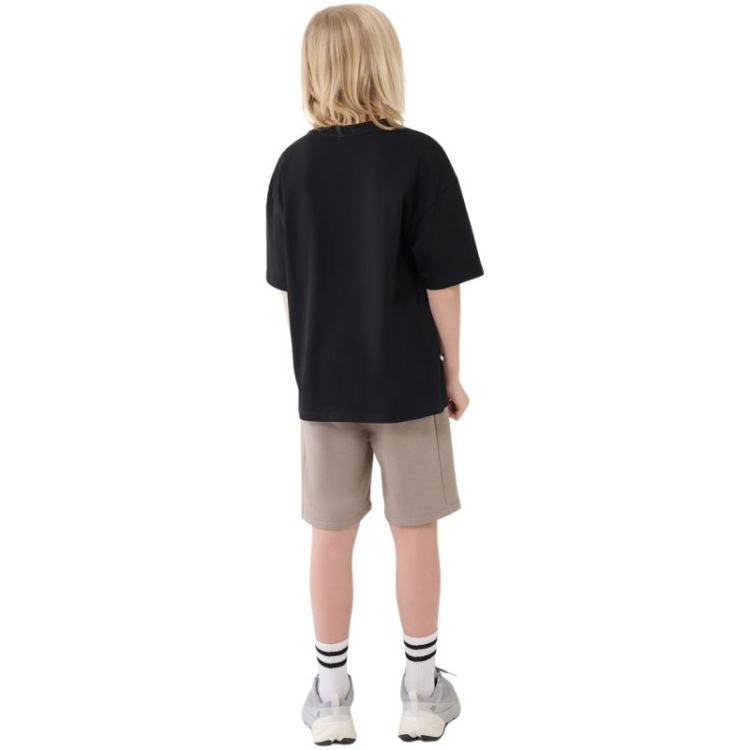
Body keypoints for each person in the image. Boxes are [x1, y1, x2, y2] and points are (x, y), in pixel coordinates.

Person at [266, 4, 484, 743]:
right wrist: (452, 371)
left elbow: (291, 289)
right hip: (407, 382)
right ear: (385, 64)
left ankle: (331, 699)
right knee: (413, 530)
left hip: (324, 386)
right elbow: (443, 281)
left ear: (313, 71)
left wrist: (311, 368)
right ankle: (421, 693)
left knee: (330, 534)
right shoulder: (420, 157)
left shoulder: (292, 167)